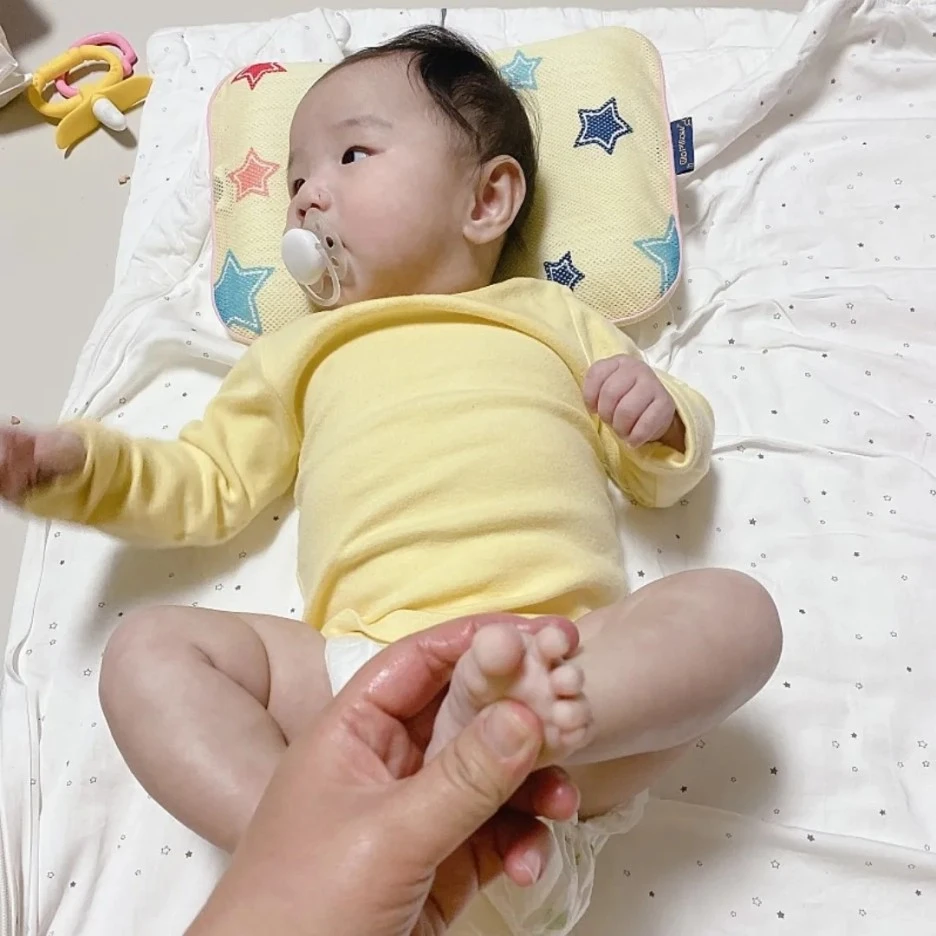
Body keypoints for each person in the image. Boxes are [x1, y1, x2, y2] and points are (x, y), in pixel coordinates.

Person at [0, 26, 782, 934]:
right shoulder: (301, 351)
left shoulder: (548, 315)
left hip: (559, 673)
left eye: (351, 155)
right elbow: (204, 482)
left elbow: (659, 480)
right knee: (147, 654)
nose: (306, 195)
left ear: (487, 199)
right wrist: (80, 466)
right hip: (364, 685)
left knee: (737, 614)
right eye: (294, 180)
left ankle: (500, 736)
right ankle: (307, 845)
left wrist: (657, 415)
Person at [187, 612, 584, 936]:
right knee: (160, 644)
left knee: (610, 651)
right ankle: (296, 848)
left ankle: (522, 709)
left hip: (556, 664)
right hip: (353, 680)